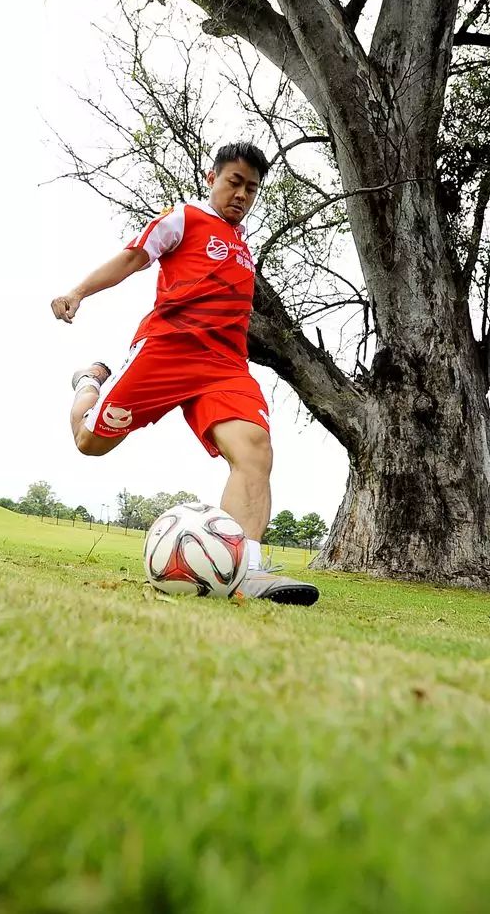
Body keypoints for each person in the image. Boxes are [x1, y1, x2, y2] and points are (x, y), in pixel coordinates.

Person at [50, 142, 318, 605]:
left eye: (252, 189)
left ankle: (246, 569)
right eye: (234, 182)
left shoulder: (243, 245)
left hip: (224, 367)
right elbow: (133, 258)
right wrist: (78, 291)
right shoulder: (184, 219)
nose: (241, 194)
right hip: (166, 353)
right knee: (89, 443)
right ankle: (89, 383)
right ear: (212, 176)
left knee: (255, 449)